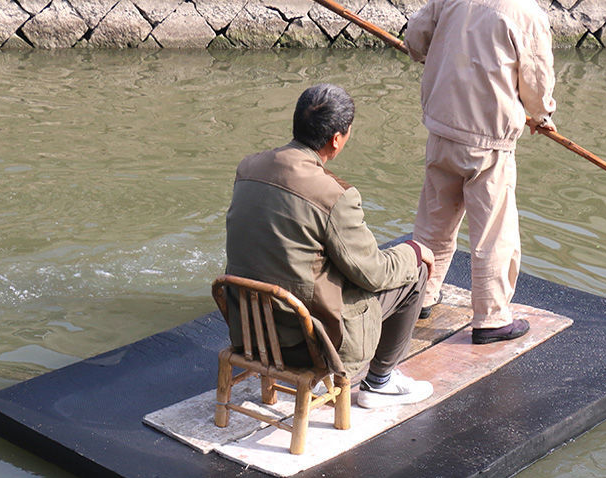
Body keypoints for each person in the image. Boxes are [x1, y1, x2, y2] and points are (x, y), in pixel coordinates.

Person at [224, 83, 434, 409]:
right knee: (414, 269)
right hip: (307, 343)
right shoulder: (335, 195)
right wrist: (415, 251)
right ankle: (380, 382)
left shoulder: (247, 168)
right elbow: (374, 274)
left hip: (250, 333)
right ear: (336, 139)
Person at [405, 0, 557, 343]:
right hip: (489, 139)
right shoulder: (526, 12)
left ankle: (420, 295)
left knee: (433, 222)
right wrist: (541, 115)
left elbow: (415, 37)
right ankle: (492, 318)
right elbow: (535, 77)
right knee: (493, 231)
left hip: (443, 127)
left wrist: (427, 53)